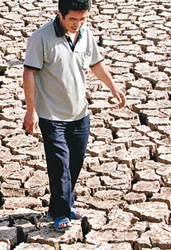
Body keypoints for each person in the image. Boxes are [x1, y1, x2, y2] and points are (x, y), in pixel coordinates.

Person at [22, 0, 126, 231]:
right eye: (73, 19)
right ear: (60, 13)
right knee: (60, 165)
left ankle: (64, 205)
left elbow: (96, 63)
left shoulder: (85, 33)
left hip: (80, 113)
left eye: (83, 19)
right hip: (51, 115)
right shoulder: (41, 38)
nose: (78, 24)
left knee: (75, 163)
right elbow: (29, 73)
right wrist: (32, 110)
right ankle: (60, 213)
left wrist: (113, 87)